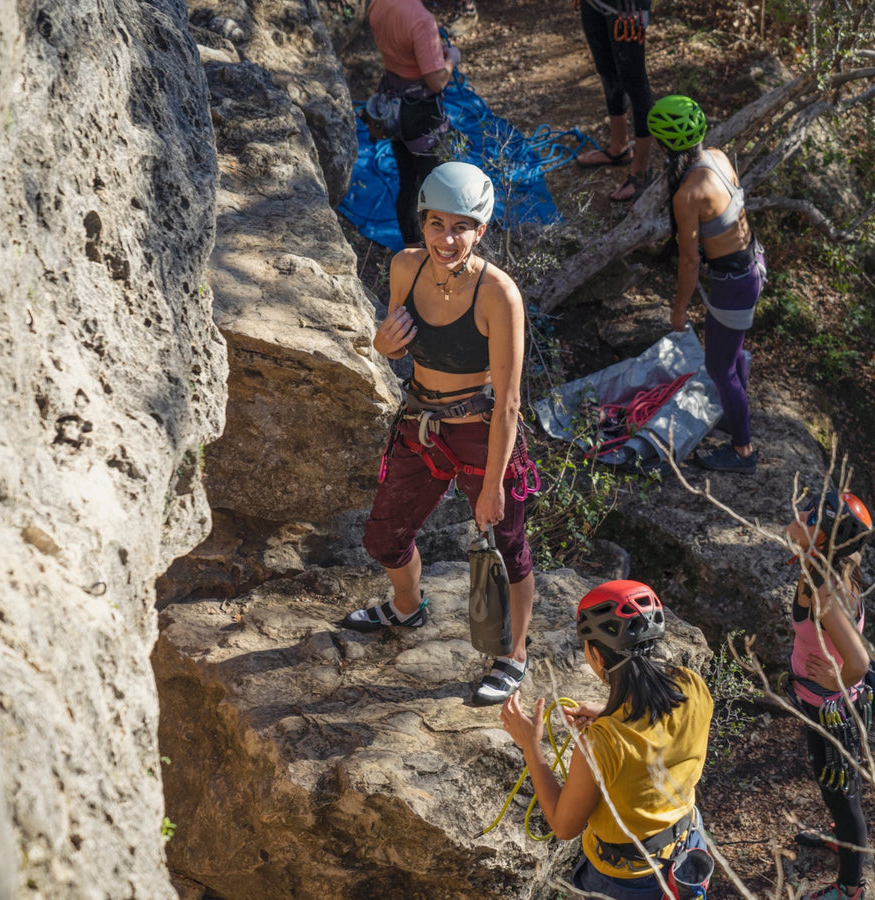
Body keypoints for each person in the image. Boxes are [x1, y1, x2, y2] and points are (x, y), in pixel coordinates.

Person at [338, 162, 538, 706]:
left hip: (478, 429)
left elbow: (510, 401)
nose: (446, 239)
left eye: (460, 227)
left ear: (481, 230)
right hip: (421, 424)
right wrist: (383, 345)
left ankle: (513, 654)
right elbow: (398, 345)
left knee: (507, 545)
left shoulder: (499, 294)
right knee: (383, 536)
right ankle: (407, 607)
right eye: (435, 224)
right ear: (421, 222)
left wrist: (494, 482)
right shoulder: (405, 268)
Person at [500, 581, 715, 899]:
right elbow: (656, 737)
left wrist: (530, 746)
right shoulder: (691, 685)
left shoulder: (600, 745)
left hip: (625, 881)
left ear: (598, 656)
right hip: (685, 847)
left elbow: (564, 826)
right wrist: (607, 714)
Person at [647, 95, 766, 473]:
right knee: (730, 358)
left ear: (663, 144)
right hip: (751, 266)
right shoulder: (716, 155)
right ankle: (736, 411)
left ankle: (743, 451)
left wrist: (679, 308)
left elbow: (689, 259)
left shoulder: (688, 194)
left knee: (719, 369)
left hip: (734, 283)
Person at [786, 490, 875, 900]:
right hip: (827, 703)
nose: (798, 512)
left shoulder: (823, 594)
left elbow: (859, 662)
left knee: (842, 796)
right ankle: (841, 837)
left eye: (808, 514)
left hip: (831, 710)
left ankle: (851, 888)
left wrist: (840, 676)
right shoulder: (836, 566)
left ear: (823, 538)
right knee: (837, 788)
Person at [367, 0, 459, 247]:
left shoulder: (378, 4)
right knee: (440, 183)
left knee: (408, 180)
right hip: (421, 113)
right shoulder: (420, 20)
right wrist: (451, 59)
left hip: (394, 106)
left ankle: (411, 246)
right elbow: (436, 82)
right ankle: (442, 246)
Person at [573, 0, 654, 202]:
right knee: (607, 71)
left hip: (627, 6)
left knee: (634, 81)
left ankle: (641, 173)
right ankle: (619, 147)